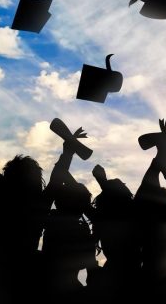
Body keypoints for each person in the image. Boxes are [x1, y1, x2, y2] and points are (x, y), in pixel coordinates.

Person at [41, 127, 98, 304]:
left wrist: (68, 150)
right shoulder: (83, 231)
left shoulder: (48, 220)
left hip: (45, 288)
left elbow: (57, 178)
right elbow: (59, 178)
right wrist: (69, 150)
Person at [134, 118, 166, 304]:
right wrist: (164, 144)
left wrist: (163, 145)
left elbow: (156, 170)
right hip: (154, 286)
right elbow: (157, 171)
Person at [0, 155, 52, 303]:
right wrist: (68, 151)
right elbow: (57, 176)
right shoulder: (40, 205)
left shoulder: (5, 199)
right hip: (29, 275)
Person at [88, 165, 141, 303]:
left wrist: (102, 181)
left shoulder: (126, 216)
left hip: (123, 276)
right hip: (129, 275)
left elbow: (116, 206)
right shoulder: (128, 216)